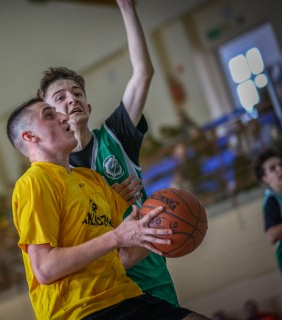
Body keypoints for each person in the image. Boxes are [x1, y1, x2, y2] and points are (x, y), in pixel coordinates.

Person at [6, 97, 209, 319]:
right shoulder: (34, 182)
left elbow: (126, 256)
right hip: (79, 311)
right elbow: (45, 269)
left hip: (124, 296)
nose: (64, 116)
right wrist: (116, 237)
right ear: (30, 136)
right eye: (49, 115)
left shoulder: (92, 180)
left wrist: (162, 228)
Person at [37, 0, 179, 306]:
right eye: (60, 98)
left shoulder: (117, 135)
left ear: (88, 107)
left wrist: (128, 8)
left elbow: (143, 74)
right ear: (50, 115)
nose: (71, 99)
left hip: (148, 270)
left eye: (77, 93)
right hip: (101, 284)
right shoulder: (55, 171)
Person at [253, 149, 282, 299]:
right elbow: (271, 235)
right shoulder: (272, 201)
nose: (280, 169)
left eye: (281, 165)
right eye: (273, 168)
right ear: (265, 178)